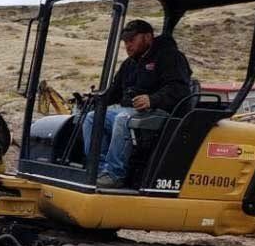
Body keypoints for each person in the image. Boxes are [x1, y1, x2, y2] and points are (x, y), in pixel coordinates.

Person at [82, 19, 192, 188]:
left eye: (132, 40)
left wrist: (152, 99)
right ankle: (99, 170)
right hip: (133, 111)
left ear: (148, 37)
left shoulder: (170, 57)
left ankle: (115, 174)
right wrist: (96, 99)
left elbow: (179, 89)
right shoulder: (130, 64)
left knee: (122, 118)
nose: (127, 45)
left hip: (162, 112)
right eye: (125, 41)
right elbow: (115, 91)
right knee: (92, 117)